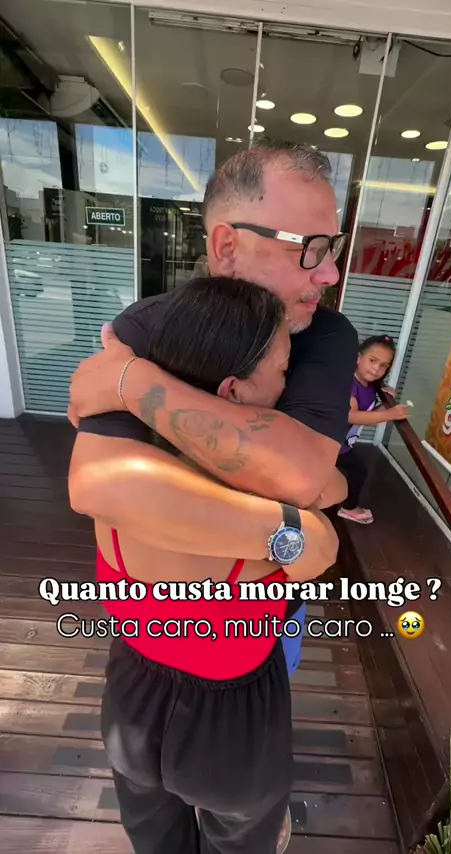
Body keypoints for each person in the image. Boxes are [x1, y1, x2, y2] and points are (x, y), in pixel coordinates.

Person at [68, 141, 358, 680]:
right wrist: (290, 532)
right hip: (142, 640)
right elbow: (100, 487)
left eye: (333, 248)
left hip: (262, 636)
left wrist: (133, 382)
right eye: (310, 248)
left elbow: (298, 474)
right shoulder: (151, 321)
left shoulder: (324, 333)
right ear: (227, 245)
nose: (330, 274)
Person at [72, 275, 338, 854]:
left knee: (155, 840)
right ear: (233, 392)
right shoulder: (257, 521)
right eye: (283, 370)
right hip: (231, 727)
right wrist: (295, 509)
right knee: (240, 842)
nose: (288, 385)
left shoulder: (114, 482)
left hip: (131, 698)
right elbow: (320, 532)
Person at [336, 334, 410, 524]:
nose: (377, 369)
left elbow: (368, 416)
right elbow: (352, 416)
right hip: (330, 442)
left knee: (352, 470)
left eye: (384, 365)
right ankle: (348, 508)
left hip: (341, 442)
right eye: (373, 360)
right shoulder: (350, 385)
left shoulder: (370, 385)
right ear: (358, 358)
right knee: (358, 471)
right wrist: (389, 414)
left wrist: (386, 404)